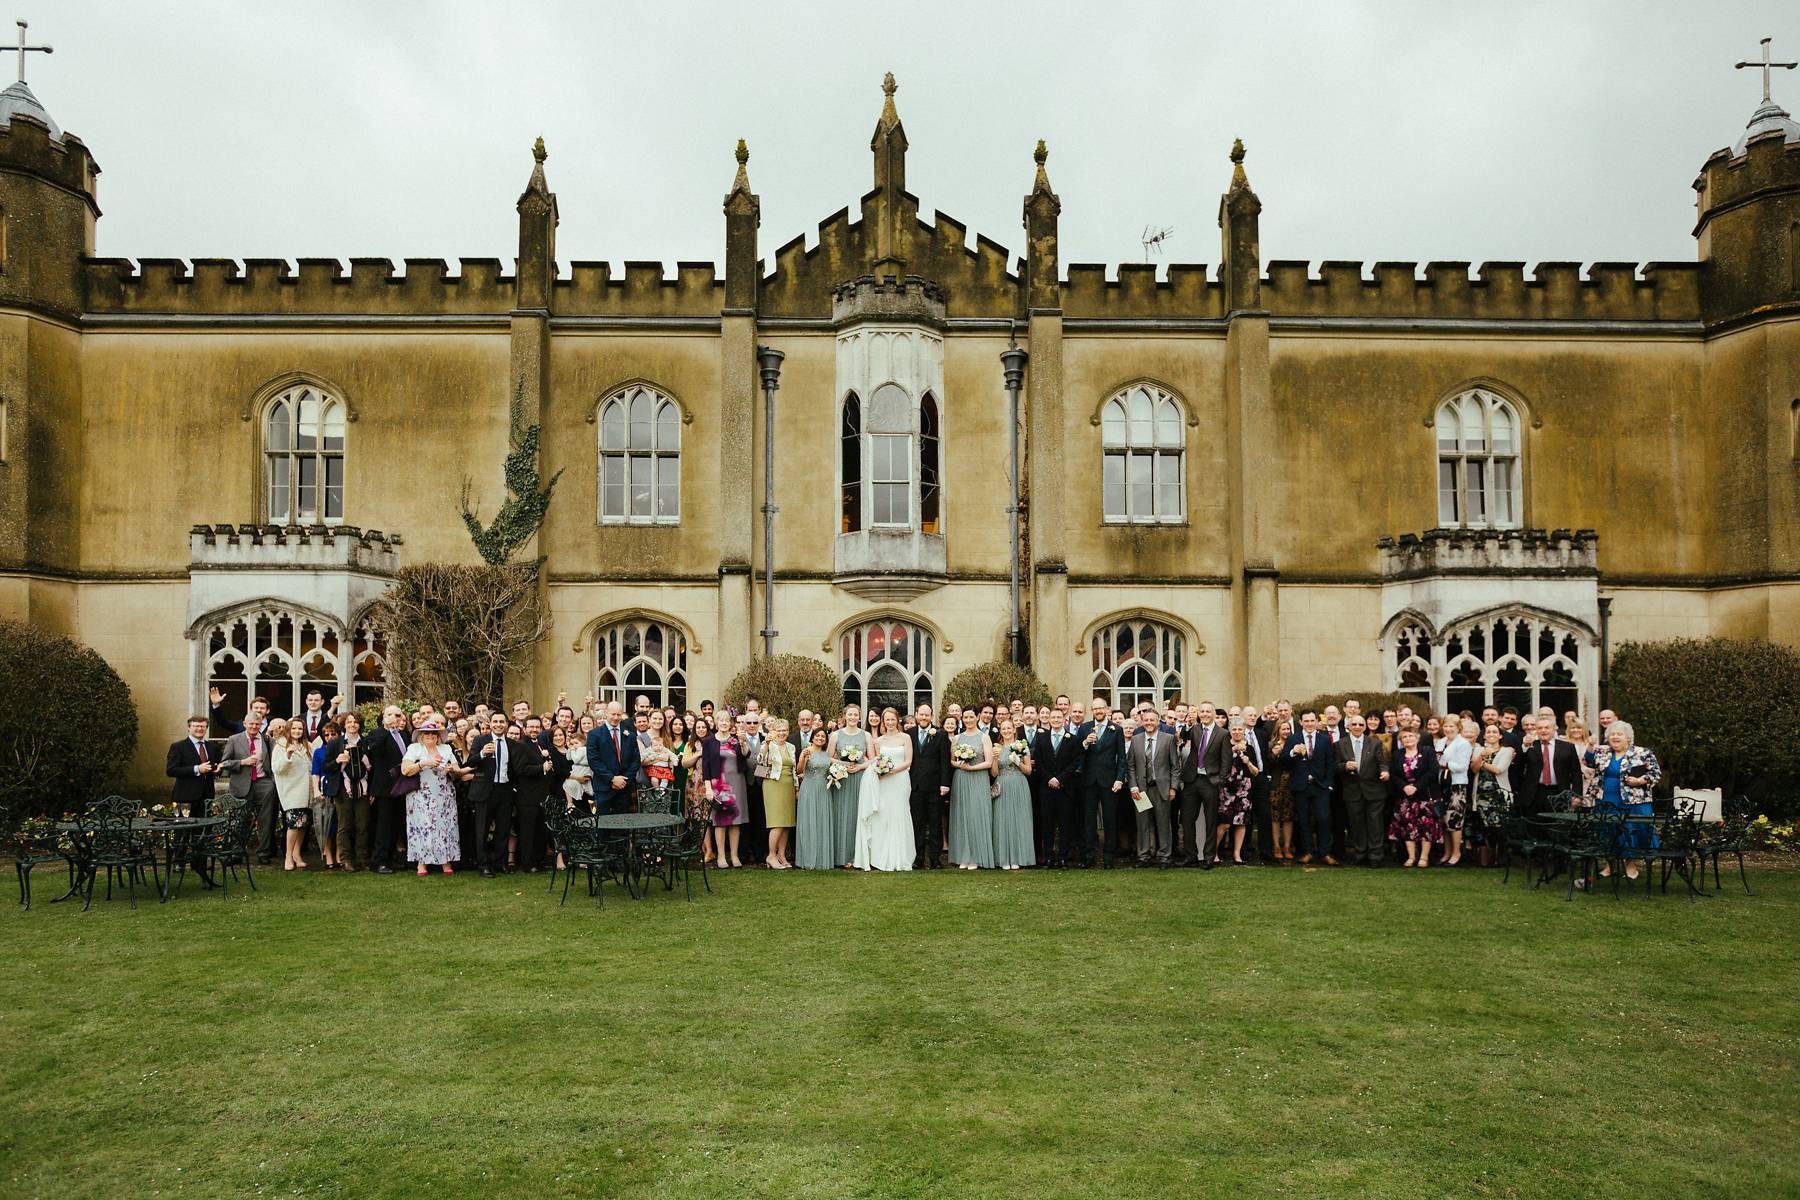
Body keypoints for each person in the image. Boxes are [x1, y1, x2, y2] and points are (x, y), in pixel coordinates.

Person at [1586, 720, 1661, 881]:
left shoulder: (1642, 753)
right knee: (1607, 830)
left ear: (1628, 738)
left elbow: (1656, 774)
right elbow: (1589, 762)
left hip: (1634, 801)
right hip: (1606, 799)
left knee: (1632, 830)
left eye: (1619, 734)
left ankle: (1630, 865)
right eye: (1612, 734)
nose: (1615, 737)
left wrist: (1640, 781)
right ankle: (1610, 865)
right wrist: (1590, 746)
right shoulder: (1602, 751)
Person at [854, 707, 916, 871]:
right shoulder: (879, 741)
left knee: (900, 813)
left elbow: (908, 761)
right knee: (884, 816)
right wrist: (874, 770)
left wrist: (892, 771)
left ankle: (901, 857)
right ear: (883, 721)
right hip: (884, 782)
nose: (889, 722)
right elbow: (877, 760)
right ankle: (882, 856)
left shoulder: (906, 737)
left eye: (892, 719)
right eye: (886, 719)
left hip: (900, 779)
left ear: (897, 720)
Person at [399, 719, 464, 876]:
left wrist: (451, 770)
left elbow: (457, 771)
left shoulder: (446, 748)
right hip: (421, 795)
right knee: (423, 827)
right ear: (421, 735)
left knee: (444, 827)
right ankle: (422, 863)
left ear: (438, 736)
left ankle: (445, 861)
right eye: (426, 733)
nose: (430, 736)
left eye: (433, 733)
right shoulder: (415, 748)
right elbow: (405, 770)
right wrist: (424, 763)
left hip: (444, 794)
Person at [1281, 711, 1338, 866]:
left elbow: (1330, 763)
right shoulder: (1294, 738)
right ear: (1301, 722)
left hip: (1321, 786)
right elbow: (1283, 759)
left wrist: (1329, 784)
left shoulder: (1325, 739)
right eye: (1306, 721)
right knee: (1304, 820)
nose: (1310, 723)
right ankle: (1308, 852)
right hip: (1300, 786)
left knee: (1323, 819)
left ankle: (1325, 853)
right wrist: (1293, 752)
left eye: (1312, 720)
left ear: (1316, 721)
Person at [221, 712, 278, 864]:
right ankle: (236, 853)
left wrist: (272, 782)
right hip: (241, 784)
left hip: (264, 784)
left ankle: (264, 853)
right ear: (245, 724)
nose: (254, 727)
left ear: (261, 725)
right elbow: (224, 763)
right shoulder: (234, 740)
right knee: (241, 820)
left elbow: (275, 762)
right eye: (251, 724)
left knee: (265, 820)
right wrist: (242, 762)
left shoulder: (267, 740)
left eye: (257, 724)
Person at [1077, 700, 1127, 868]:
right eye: (1095, 708)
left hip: (1109, 781)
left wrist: (1120, 779)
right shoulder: (1084, 728)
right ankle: (1089, 856)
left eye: (1101, 708)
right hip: (1089, 781)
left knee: (1110, 820)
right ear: (1092, 710)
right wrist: (1084, 743)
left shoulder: (1117, 729)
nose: (1098, 711)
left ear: (1107, 709)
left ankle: (1108, 858)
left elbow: (1122, 757)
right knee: (1088, 821)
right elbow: (1077, 753)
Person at [1335, 713, 1390, 868]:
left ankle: (1375, 856)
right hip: (1352, 791)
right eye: (1354, 724)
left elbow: (1382, 761)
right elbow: (1334, 766)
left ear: (1365, 727)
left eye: (1360, 725)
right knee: (1357, 825)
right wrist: (1345, 766)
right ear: (1348, 727)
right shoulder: (1340, 744)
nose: (1357, 727)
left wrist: (1385, 772)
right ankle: (1360, 854)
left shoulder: (1374, 743)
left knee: (1375, 825)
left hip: (1374, 790)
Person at [1033, 706, 1085, 868]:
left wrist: (1059, 779)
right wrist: (1050, 778)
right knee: (1047, 824)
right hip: (1046, 788)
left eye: (1058, 717)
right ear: (1048, 719)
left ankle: (1063, 857)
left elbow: (1074, 763)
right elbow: (1039, 763)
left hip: (1065, 788)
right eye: (1052, 717)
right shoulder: (1041, 738)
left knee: (1065, 824)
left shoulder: (1073, 739)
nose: (1055, 720)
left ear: (1064, 720)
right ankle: (1048, 856)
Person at [1127, 705, 1178, 867]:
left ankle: (1164, 857)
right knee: (1142, 824)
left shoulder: (1168, 739)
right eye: (1146, 720)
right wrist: (1133, 787)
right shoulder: (1135, 740)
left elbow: (1175, 766)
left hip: (1161, 788)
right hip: (1141, 789)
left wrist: (1173, 787)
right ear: (1142, 722)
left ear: (1158, 722)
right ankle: (1143, 856)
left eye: (1152, 720)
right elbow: (1131, 766)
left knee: (1163, 824)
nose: (1149, 723)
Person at [364, 706, 412, 874]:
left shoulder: (404, 735)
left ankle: (391, 858)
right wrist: (386, 729)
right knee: (384, 826)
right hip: (384, 788)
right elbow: (376, 751)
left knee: (396, 825)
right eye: (390, 715)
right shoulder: (377, 733)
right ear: (384, 718)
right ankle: (379, 861)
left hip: (402, 786)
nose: (395, 718)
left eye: (398, 715)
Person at [1180, 702, 1228, 869]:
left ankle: (1208, 857)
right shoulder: (1195, 729)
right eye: (1203, 712)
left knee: (1210, 821)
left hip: (1210, 781)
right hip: (1192, 780)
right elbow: (1183, 736)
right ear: (1199, 714)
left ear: (1213, 713)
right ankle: (1190, 856)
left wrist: (1219, 781)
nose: (1205, 714)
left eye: (1208, 711)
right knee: (1187, 819)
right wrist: (1187, 722)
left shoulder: (1223, 734)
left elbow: (1226, 761)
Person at [947, 709, 996, 870]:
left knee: (977, 816)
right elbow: (952, 761)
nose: (968, 720)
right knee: (962, 816)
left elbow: (989, 762)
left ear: (977, 717)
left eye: (971, 717)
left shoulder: (984, 737)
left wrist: (971, 767)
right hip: (961, 779)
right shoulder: (956, 738)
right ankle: (963, 856)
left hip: (979, 778)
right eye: (965, 717)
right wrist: (961, 765)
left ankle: (976, 856)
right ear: (962, 718)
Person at [1388, 728, 1443, 867]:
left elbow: (1433, 771)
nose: (1408, 738)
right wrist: (1404, 787)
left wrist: (1416, 787)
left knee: (1426, 827)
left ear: (1417, 738)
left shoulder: (1428, 751)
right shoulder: (1397, 754)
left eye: (1410, 736)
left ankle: (1424, 857)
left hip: (1425, 795)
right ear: (1401, 740)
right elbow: (1393, 774)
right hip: (1405, 797)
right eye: (1404, 737)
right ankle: (1411, 857)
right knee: (1408, 827)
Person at [322, 711, 368, 872]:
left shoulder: (366, 743)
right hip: (342, 788)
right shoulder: (336, 743)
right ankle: (346, 860)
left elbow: (373, 767)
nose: (352, 724)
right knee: (344, 825)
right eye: (349, 722)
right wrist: (337, 760)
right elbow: (325, 767)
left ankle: (362, 858)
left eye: (355, 722)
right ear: (344, 725)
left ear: (360, 724)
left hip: (363, 788)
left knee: (362, 824)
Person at [909, 702, 951, 869]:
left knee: (935, 824)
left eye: (927, 715)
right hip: (915, 787)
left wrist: (944, 784)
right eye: (921, 714)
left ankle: (935, 858)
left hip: (935, 787)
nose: (924, 717)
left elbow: (945, 762)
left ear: (931, 716)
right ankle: (918, 858)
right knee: (917, 824)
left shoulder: (940, 735)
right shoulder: (909, 734)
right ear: (916, 715)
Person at [990, 716, 1035, 871]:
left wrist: (1018, 762)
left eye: (1009, 728)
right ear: (1000, 731)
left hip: (1019, 784)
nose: (1007, 731)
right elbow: (994, 773)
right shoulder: (996, 748)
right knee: (1002, 821)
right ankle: (1003, 858)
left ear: (1014, 730)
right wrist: (995, 759)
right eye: (1004, 729)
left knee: (1019, 820)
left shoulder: (1022, 746)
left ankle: (1018, 857)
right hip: (1002, 784)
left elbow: (1029, 771)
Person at [829, 704, 871, 869]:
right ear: (845, 716)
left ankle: (857, 856)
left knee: (857, 816)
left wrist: (859, 767)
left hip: (860, 779)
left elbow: (873, 759)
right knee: (842, 815)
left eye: (856, 715)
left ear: (859, 717)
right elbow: (829, 757)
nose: (853, 717)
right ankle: (841, 856)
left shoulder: (866, 735)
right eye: (850, 714)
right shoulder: (835, 735)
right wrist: (844, 763)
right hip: (842, 779)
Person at [1213, 722, 1260, 865]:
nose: (1237, 732)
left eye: (1240, 729)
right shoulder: (1224, 746)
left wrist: (1248, 762)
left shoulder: (1249, 749)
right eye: (1234, 729)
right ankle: (1213, 852)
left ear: (1244, 731)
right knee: (1224, 823)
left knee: (1241, 823)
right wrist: (1232, 753)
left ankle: (1237, 854)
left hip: (1244, 789)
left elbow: (1256, 772)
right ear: (1229, 731)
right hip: (1227, 788)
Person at [271, 717, 314, 871]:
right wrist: (287, 756)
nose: (297, 731)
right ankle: (288, 856)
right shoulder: (281, 746)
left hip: (307, 791)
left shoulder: (307, 746)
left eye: (300, 729)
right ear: (288, 729)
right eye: (294, 728)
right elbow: (277, 769)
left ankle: (297, 854)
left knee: (303, 825)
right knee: (293, 825)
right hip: (292, 791)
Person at [1517, 714, 1582, 815]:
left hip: (1559, 793)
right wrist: (1524, 747)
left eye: (1547, 727)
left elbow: (1576, 773)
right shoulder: (1530, 746)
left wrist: (1577, 795)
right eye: (1540, 728)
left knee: (1558, 827)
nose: (1543, 730)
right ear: (1536, 731)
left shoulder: (1568, 747)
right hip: (1534, 794)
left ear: (1554, 729)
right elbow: (1518, 766)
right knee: (1533, 827)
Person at [512, 717, 554, 872]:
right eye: (531, 727)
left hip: (542, 795)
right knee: (527, 832)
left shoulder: (541, 744)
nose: (534, 729)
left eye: (537, 727)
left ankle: (539, 861)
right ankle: (527, 864)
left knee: (540, 831)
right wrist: (541, 768)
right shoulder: (520, 745)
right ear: (524, 728)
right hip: (527, 797)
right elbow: (520, 769)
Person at [586, 701, 642, 815]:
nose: (616, 718)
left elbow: (635, 760)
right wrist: (612, 779)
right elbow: (594, 760)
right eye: (613, 714)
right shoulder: (594, 734)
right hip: (603, 788)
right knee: (602, 826)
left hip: (623, 789)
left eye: (619, 714)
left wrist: (623, 780)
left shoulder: (630, 735)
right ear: (606, 713)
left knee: (621, 828)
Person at [1471, 723, 1514, 867]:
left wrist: (1482, 762)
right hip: (1482, 795)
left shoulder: (1506, 751)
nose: (1491, 734)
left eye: (1494, 732)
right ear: (1484, 735)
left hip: (1499, 794)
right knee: (1486, 827)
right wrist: (1481, 757)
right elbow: (1474, 769)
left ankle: (1501, 859)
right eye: (1488, 732)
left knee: (1500, 828)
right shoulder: (1479, 750)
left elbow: (1498, 769)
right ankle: (1488, 859)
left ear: (1500, 735)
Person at [794, 726, 836, 870]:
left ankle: (822, 858)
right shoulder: (807, 751)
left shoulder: (826, 754)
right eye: (817, 735)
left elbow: (835, 765)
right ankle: (807, 857)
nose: (820, 738)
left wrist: (852, 766)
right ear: (812, 737)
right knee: (809, 820)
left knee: (822, 820)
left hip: (824, 789)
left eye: (823, 736)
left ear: (825, 739)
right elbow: (799, 770)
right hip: (809, 788)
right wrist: (803, 758)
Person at [758, 718, 797, 869]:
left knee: (787, 823)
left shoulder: (791, 747)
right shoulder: (768, 744)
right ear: (773, 731)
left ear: (788, 731)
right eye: (779, 730)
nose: (782, 733)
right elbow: (760, 761)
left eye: (784, 730)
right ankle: (771, 855)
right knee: (777, 822)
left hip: (788, 786)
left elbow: (793, 770)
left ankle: (781, 855)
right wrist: (766, 745)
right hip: (773, 785)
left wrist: (796, 787)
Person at [165, 715, 218, 817]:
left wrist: (217, 770)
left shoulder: (212, 747)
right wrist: (197, 769)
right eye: (196, 726)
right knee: (183, 830)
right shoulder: (178, 747)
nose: (199, 729)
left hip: (207, 797)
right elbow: (171, 770)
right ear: (189, 728)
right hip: (185, 797)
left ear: (207, 728)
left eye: (203, 726)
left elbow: (215, 766)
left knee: (203, 831)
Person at [307, 720, 341, 870]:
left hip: (340, 788)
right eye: (326, 734)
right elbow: (315, 772)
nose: (329, 737)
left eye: (333, 734)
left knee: (340, 823)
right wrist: (316, 790)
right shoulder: (319, 752)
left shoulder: (342, 749)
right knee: (326, 823)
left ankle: (340, 853)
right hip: (325, 788)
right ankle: (328, 854)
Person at [1267, 718, 1296, 861]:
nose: (1286, 732)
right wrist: (1274, 754)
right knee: (1275, 817)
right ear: (1278, 730)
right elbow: (1268, 764)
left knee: (1288, 817)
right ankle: (1276, 846)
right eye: (1283, 729)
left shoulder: (1295, 744)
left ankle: (1287, 846)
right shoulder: (1271, 744)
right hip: (1276, 784)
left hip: (1291, 784)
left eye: (1288, 729)